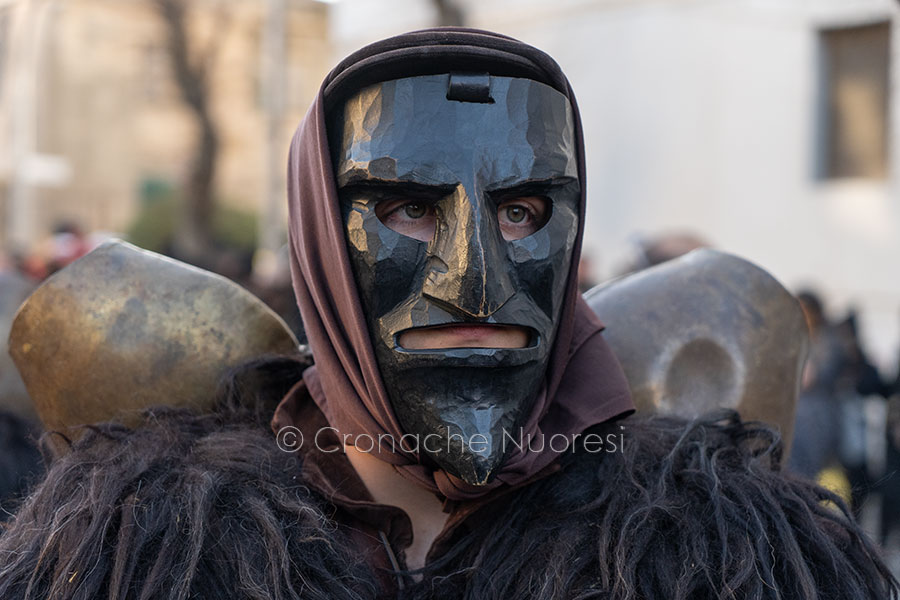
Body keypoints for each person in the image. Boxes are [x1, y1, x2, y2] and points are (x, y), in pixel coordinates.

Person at [272, 28, 898, 597]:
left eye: (520, 213)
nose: (475, 286)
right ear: (321, 233)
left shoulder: (714, 555)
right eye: (409, 209)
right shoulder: (198, 547)